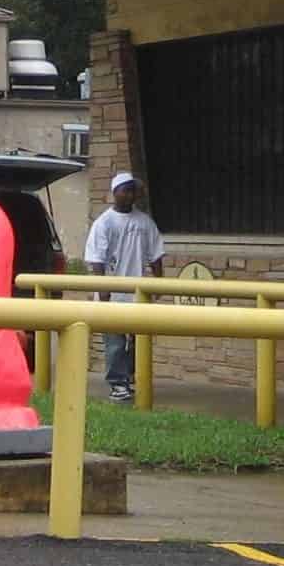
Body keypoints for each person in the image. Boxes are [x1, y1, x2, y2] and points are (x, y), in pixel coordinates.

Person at [81, 171, 164, 403]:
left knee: (138, 340)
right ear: (115, 192)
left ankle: (130, 378)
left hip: (137, 294)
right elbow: (97, 258)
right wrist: (103, 287)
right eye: (125, 190)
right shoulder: (104, 223)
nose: (130, 194)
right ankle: (117, 384)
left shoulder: (144, 222)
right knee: (116, 342)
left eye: (133, 190)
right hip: (112, 293)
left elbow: (155, 255)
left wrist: (159, 281)